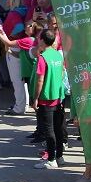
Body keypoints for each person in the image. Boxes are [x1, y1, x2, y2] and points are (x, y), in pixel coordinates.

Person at [31, 29, 66, 169]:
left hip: (46, 98)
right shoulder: (58, 55)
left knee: (49, 130)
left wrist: (35, 98)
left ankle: (51, 159)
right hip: (58, 97)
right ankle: (59, 157)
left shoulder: (43, 57)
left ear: (42, 40)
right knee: (58, 128)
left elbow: (40, 80)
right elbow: (62, 73)